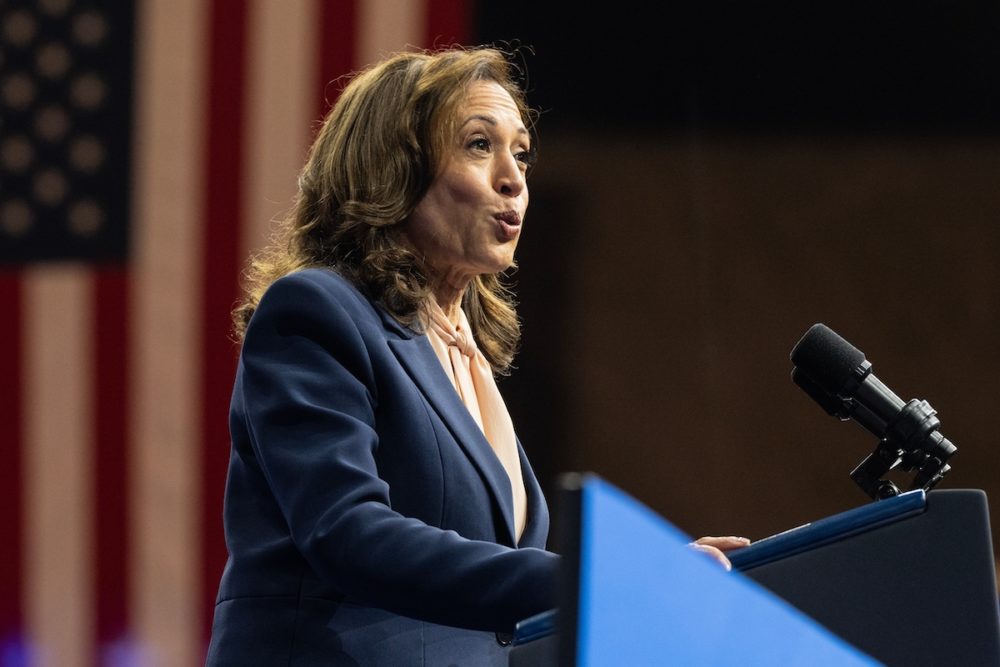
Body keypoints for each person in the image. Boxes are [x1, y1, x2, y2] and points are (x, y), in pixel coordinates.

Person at [205, 45, 747, 666]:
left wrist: (649, 582)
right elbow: (348, 533)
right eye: (479, 145)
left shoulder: (463, 353)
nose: (514, 178)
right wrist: (600, 580)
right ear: (392, 170)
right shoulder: (315, 311)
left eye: (521, 152)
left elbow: (494, 598)